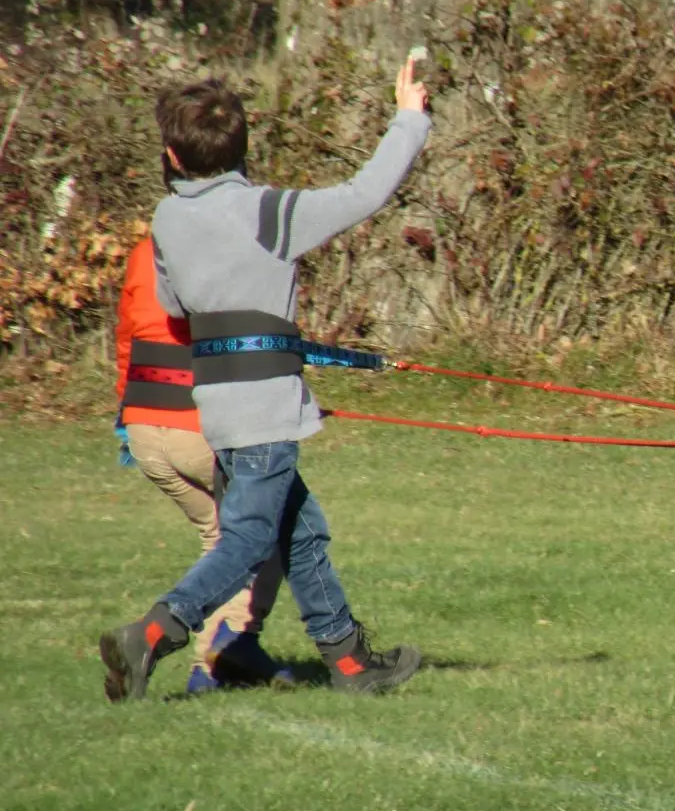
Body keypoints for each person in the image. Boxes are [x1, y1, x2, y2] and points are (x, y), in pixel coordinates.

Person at [99, 56, 431, 701]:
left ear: (171, 154)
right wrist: (409, 120)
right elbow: (366, 193)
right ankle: (152, 632)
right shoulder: (267, 212)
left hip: (217, 405)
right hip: (264, 409)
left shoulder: (168, 220)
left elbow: (172, 309)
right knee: (249, 539)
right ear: (244, 147)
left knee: (301, 531)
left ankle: (351, 664)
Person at [114, 235, 291, 694]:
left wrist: (127, 413)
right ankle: (218, 651)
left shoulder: (143, 251)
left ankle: (225, 656)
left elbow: (126, 339)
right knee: (259, 529)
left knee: (224, 536)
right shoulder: (225, 249)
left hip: (145, 428)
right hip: (199, 427)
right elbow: (249, 343)